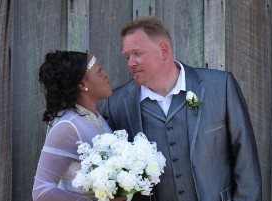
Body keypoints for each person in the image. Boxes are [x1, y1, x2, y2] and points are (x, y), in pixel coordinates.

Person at [103, 17, 262, 201]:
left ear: (163, 50)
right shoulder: (117, 104)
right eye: (127, 56)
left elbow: (246, 161)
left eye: (137, 53)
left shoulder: (220, 86)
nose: (130, 63)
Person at [33, 51, 127, 201]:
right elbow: (41, 191)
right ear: (82, 84)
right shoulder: (67, 126)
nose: (106, 74)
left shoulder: (95, 117)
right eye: (99, 70)